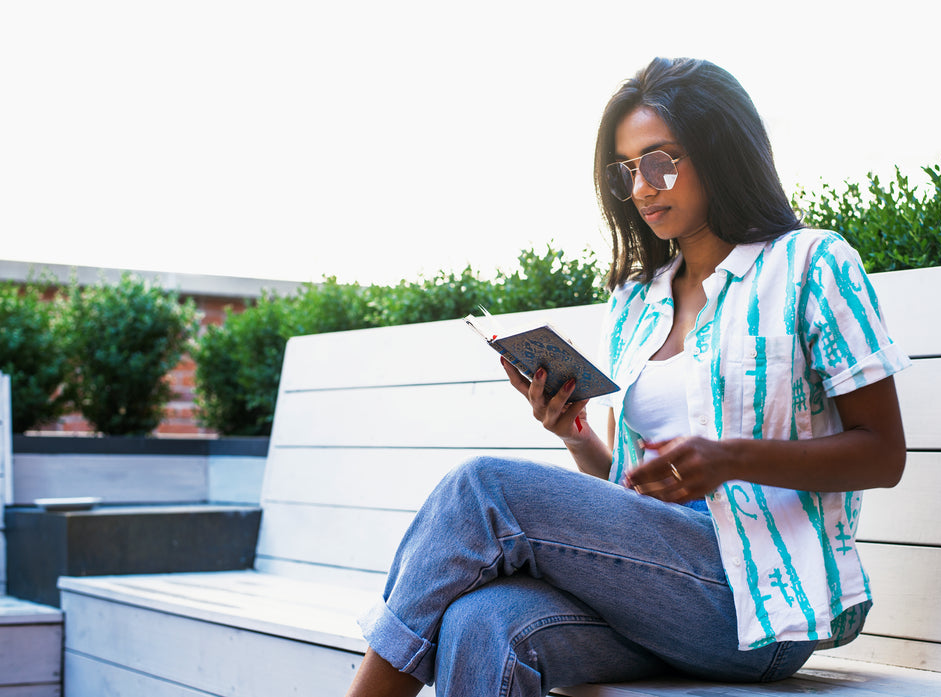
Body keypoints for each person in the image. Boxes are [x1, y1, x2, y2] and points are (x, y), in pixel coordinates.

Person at [345, 56, 909, 697]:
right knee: (483, 622)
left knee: (482, 487)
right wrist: (578, 436)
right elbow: (626, 495)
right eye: (627, 169)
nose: (642, 186)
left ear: (720, 151)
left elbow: (883, 455)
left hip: (759, 599)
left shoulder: (811, 264)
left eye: (661, 160)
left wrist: (730, 459)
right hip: (654, 589)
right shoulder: (638, 302)